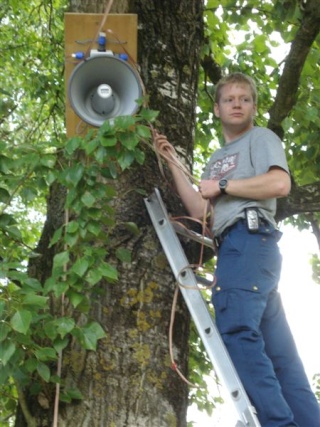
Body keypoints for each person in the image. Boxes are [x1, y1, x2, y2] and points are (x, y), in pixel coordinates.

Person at [154, 72, 320, 427]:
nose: (237, 104)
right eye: (229, 99)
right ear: (216, 108)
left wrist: (224, 184)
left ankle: (279, 424)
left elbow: (280, 183)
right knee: (280, 358)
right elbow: (203, 213)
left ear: (254, 107)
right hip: (239, 247)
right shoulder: (216, 159)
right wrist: (171, 161)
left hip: (249, 241)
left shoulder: (261, 138)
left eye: (244, 99)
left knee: (236, 330)